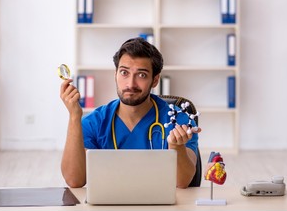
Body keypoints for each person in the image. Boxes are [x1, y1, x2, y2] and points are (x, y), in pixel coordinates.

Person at [60, 37, 201, 189]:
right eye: (124, 72)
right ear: (115, 75)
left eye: (141, 75)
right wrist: (74, 116)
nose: (130, 84)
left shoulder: (178, 120)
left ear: (155, 80)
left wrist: (176, 147)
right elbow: (75, 180)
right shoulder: (94, 122)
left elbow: (182, 182)